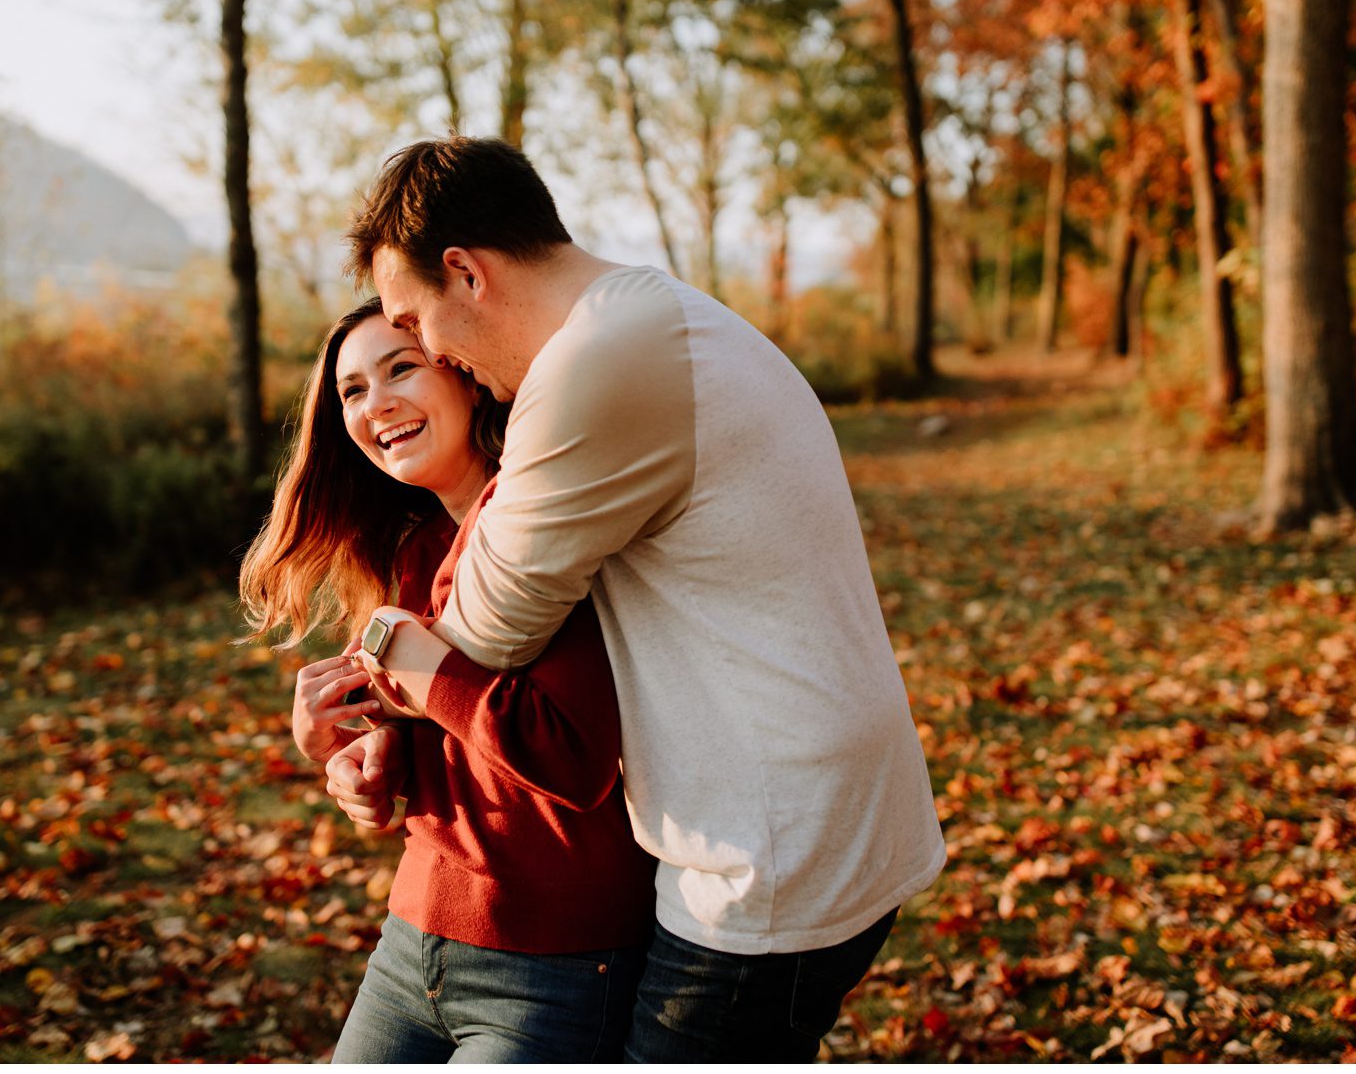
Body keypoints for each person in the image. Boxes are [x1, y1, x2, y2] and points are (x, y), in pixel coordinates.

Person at [329, 136, 947, 1062]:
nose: (435, 353)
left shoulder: (597, 361)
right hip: (807, 812)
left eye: (418, 323)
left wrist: (392, 646)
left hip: (763, 850)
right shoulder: (655, 317)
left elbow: (484, 627)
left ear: (465, 272)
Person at [239, 299, 658, 1062]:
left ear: (465, 377)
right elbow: (448, 726)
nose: (377, 403)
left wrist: (422, 674)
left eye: (401, 367)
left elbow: (574, 756)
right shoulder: (415, 548)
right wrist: (360, 753)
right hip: (412, 943)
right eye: (353, 390)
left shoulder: (548, 527)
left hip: (555, 960)